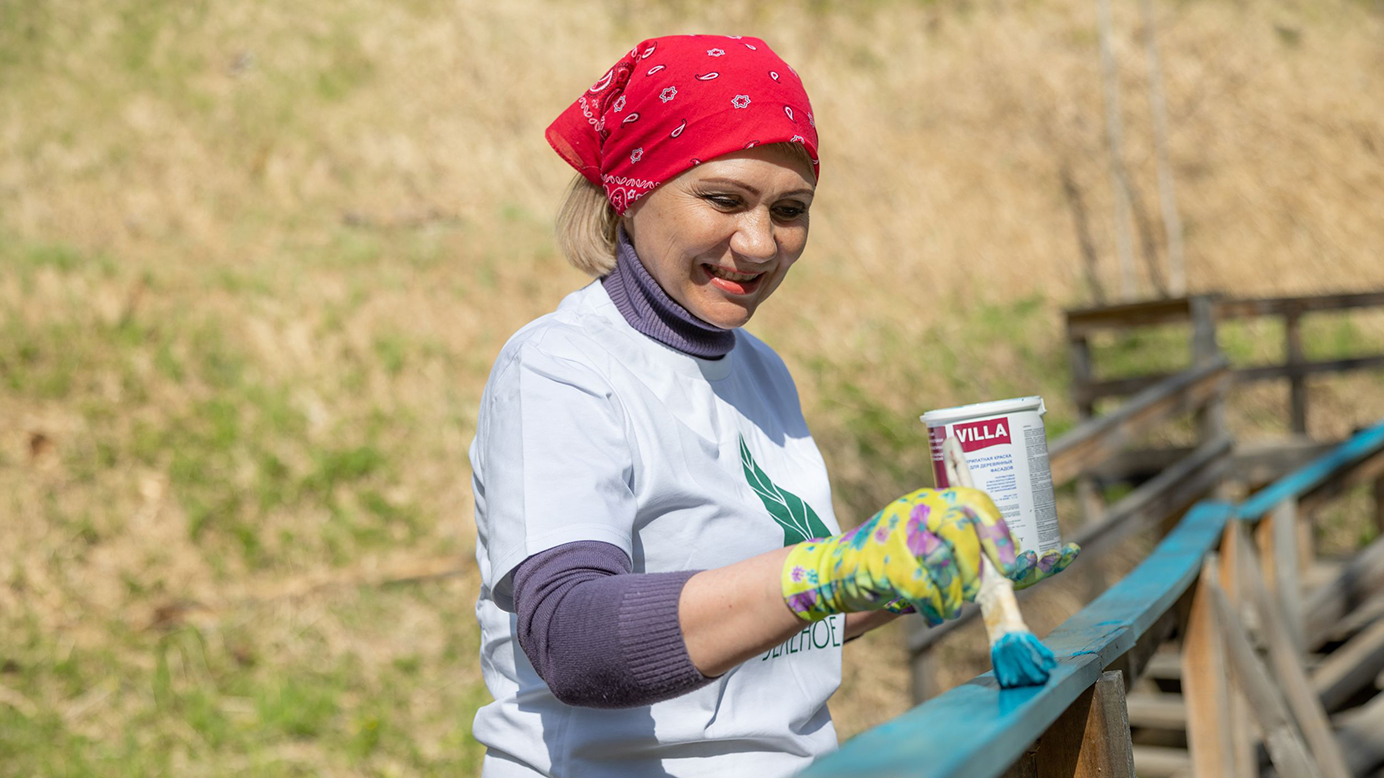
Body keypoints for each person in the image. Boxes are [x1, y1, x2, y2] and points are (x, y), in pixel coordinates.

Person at [470, 34, 1079, 777]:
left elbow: (774, 626)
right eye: (723, 200)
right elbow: (574, 641)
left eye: (790, 210)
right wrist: (830, 569)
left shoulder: (759, 371)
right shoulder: (561, 367)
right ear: (632, 190)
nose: (760, 244)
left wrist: (907, 571)